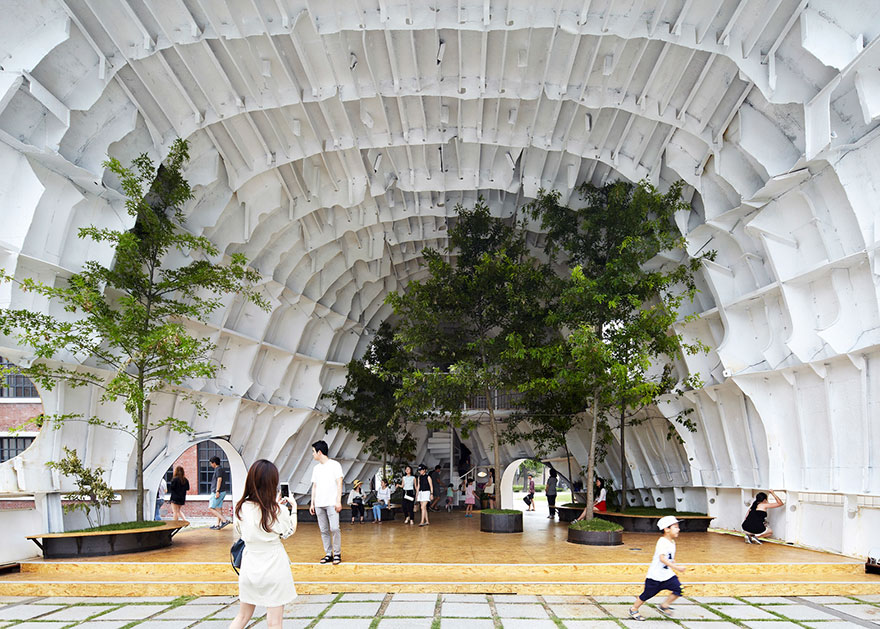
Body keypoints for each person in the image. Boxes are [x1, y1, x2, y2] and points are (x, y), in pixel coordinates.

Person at [228, 459, 296, 629]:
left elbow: (243, 532)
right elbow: (288, 531)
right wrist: (292, 508)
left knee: (242, 616)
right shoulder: (278, 511)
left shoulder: (241, 508)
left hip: (250, 567)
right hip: (274, 567)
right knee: (274, 623)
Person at [629, 515, 687, 621]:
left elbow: (668, 558)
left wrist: (672, 562)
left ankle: (665, 605)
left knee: (679, 589)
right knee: (646, 595)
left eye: (678, 526)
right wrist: (676, 567)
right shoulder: (662, 542)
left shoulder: (672, 542)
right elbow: (662, 558)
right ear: (666, 529)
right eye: (675, 527)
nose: (678, 529)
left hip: (667, 575)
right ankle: (634, 609)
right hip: (655, 577)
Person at [309, 440, 343, 565]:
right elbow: (314, 486)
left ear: (319, 452)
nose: (312, 454)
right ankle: (328, 553)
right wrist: (312, 503)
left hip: (331, 503)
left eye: (313, 452)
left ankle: (337, 553)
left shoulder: (335, 465)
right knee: (323, 530)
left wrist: (338, 501)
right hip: (319, 504)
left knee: (334, 528)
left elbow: (339, 483)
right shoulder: (316, 468)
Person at [208, 456, 231, 530]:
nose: (211, 465)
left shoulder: (218, 469)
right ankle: (217, 525)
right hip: (222, 491)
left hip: (218, 492)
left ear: (214, 463)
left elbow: (219, 479)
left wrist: (217, 491)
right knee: (218, 509)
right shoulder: (221, 469)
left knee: (211, 508)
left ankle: (224, 521)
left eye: (211, 463)